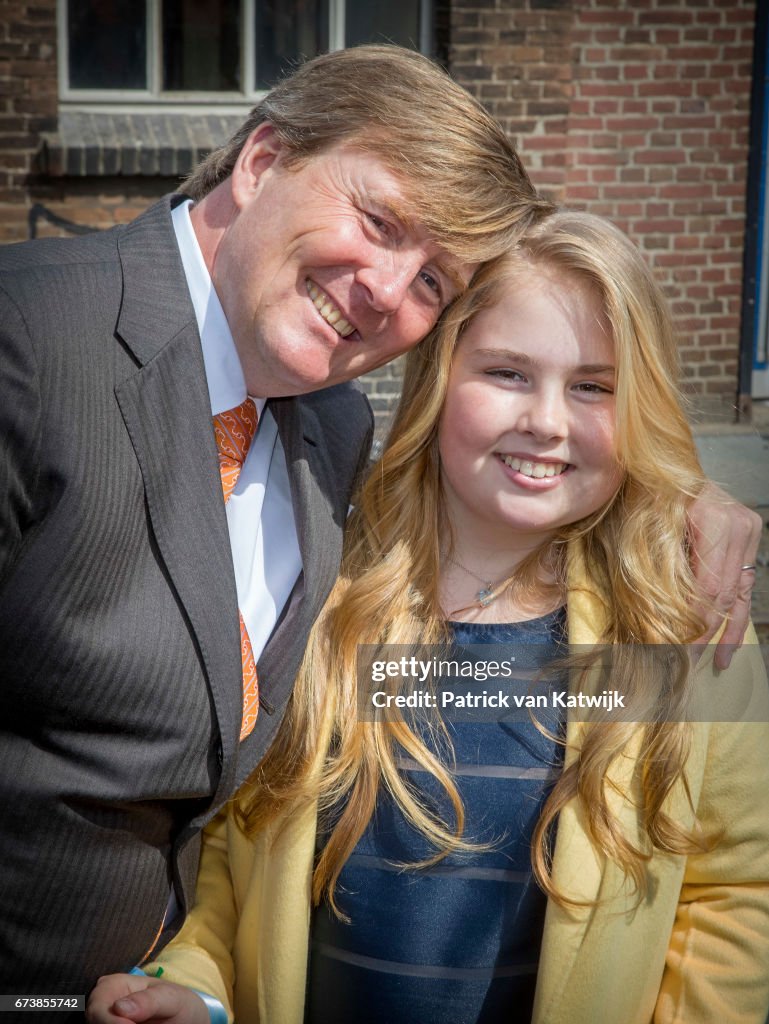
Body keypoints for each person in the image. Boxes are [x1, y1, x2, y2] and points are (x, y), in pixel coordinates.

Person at [0, 43, 759, 999]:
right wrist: (199, 986)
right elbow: (248, 845)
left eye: (434, 280)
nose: (389, 290)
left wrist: (672, 490)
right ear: (264, 162)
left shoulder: (328, 429)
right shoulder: (352, 584)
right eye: (378, 219)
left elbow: (731, 889)